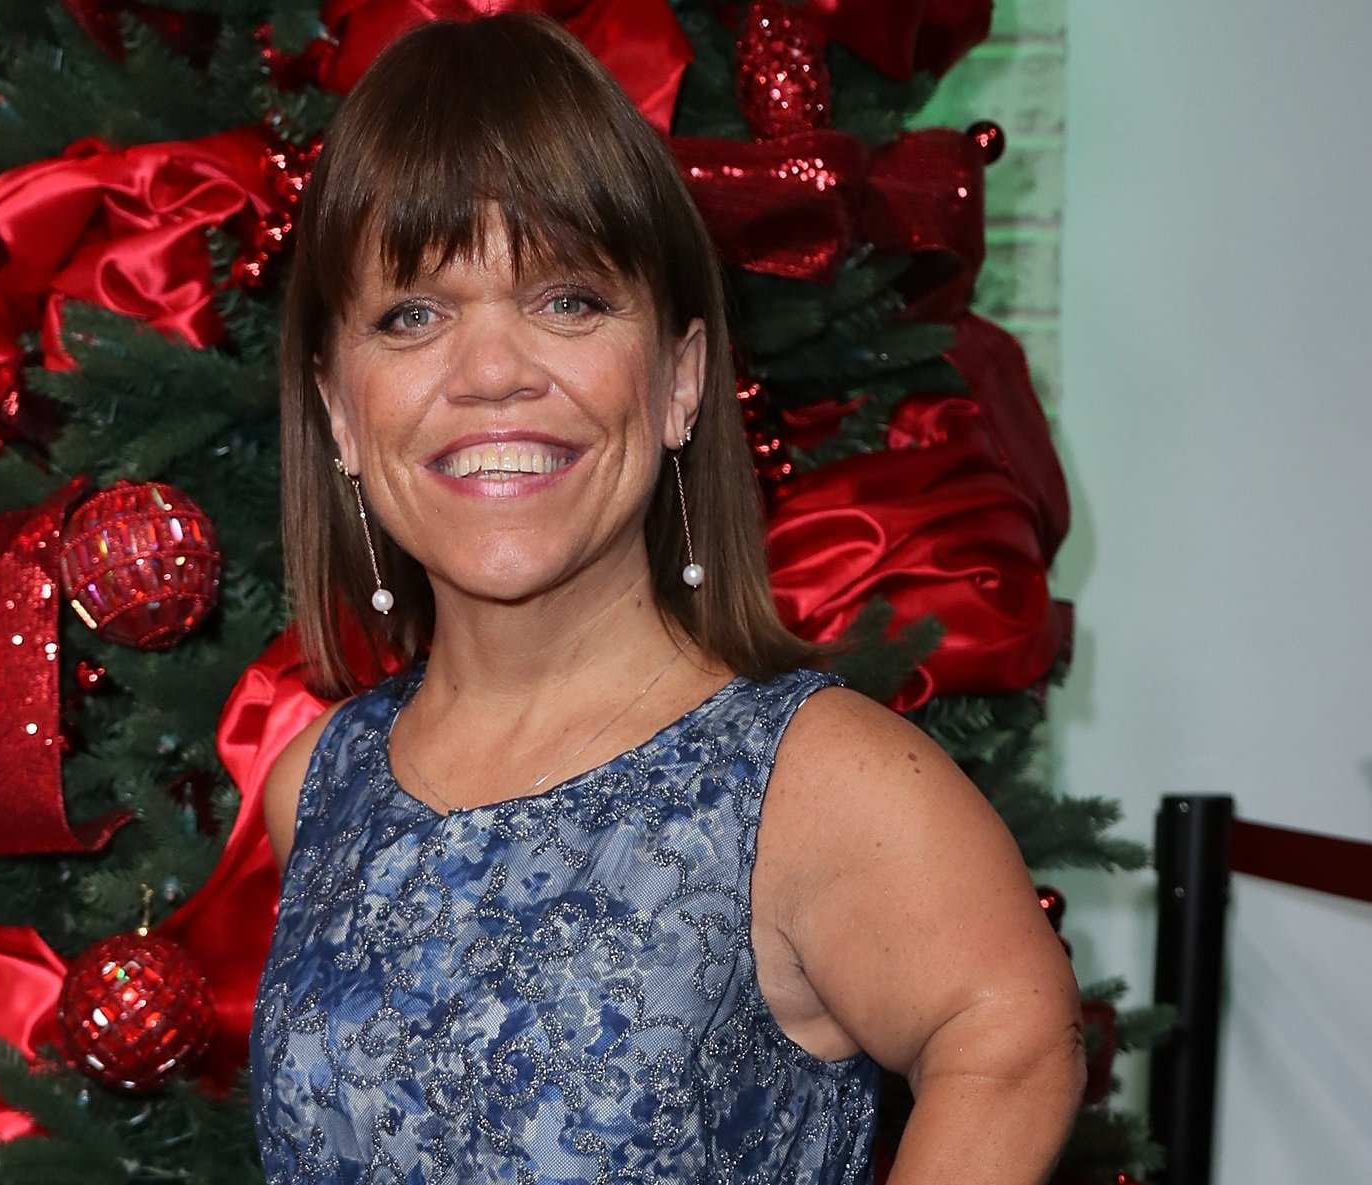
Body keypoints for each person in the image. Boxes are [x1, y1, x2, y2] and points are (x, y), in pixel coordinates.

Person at [250, 14, 1084, 1184]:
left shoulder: (818, 781)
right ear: (340, 410)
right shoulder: (319, 784)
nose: (491, 373)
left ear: (682, 380)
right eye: (412, 315)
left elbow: (1009, 1036)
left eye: (569, 301)